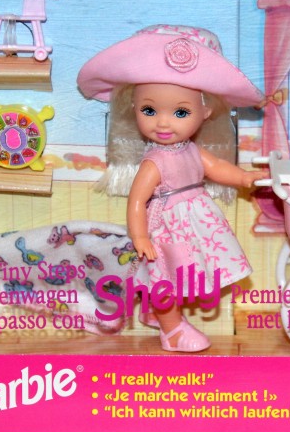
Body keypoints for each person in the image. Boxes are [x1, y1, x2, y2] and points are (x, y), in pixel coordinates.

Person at [77, 24, 267, 352]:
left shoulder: (190, 150)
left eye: (180, 112)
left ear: (205, 111)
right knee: (164, 278)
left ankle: (164, 318)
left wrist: (244, 178)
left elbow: (216, 167)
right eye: (149, 110)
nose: (163, 122)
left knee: (183, 277)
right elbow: (137, 201)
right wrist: (140, 237)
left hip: (196, 222)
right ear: (133, 108)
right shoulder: (154, 162)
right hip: (168, 226)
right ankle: (172, 329)